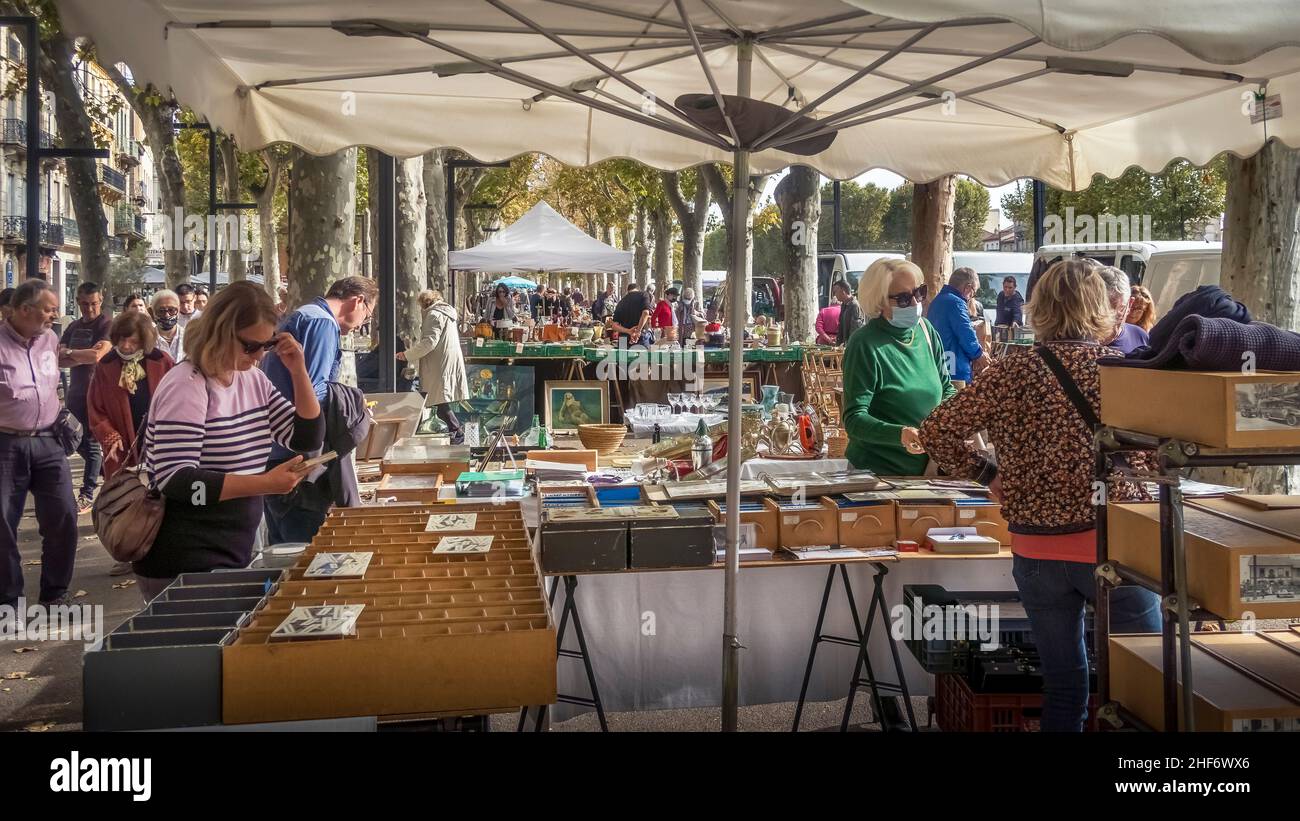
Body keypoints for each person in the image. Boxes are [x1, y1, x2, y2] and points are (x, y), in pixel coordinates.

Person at [918, 259, 1161, 732]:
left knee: (1064, 686)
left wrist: (988, 473)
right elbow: (1153, 459)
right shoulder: (1122, 373)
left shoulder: (1011, 372)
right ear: (1099, 307)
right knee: (1144, 683)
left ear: (1039, 308)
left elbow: (937, 431)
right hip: (1113, 548)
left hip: (1035, 552)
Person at [135, 281, 324, 600]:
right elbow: (177, 482)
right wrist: (263, 484)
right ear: (221, 332)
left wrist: (298, 372)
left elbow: (305, 436)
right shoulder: (186, 385)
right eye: (251, 346)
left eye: (267, 345)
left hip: (233, 549)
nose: (259, 356)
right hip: (184, 558)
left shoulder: (252, 378)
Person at [261, 275, 376, 544]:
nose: (361, 326)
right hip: (300, 459)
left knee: (282, 554)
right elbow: (315, 393)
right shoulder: (322, 322)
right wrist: (354, 407)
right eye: (366, 316)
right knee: (302, 556)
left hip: (277, 450)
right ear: (357, 300)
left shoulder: (304, 315)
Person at [0, 279, 79, 607]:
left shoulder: (49, 339)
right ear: (23, 310)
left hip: (49, 442)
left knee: (64, 517)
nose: (53, 316)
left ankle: (54, 595)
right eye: (48, 310)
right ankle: (8, 603)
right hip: (5, 445)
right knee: (3, 526)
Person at [841, 259, 954, 474]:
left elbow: (946, 387)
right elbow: (854, 419)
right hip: (877, 475)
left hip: (930, 473)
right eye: (902, 299)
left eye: (919, 293)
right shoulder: (864, 344)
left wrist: (949, 422)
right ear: (879, 301)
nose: (914, 303)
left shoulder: (926, 330)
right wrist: (899, 434)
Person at [86, 310, 175, 576]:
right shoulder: (106, 366)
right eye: (122, 340)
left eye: (132, 341)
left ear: (144, 340)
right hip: (122, 446)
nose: (126, 346)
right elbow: (95, 408)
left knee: (163, 496)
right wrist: (109, 435)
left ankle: (163, 549)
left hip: (160, 441)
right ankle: (128, 550)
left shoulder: (162, 361)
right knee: (126, 500)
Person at [59, 281, 112, 513]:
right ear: (78, 303)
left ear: (100, 301)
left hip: (96, 394)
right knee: (72, 439)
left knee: (90, 445)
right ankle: (107, 475)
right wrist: (81, 355)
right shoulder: (73, 327)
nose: (89, 309)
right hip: (75, 394)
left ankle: (87, 493)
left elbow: (98, 355)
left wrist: (71, 353)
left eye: (94, 304)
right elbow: (57, 358)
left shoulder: (106, 324)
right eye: (85, 304)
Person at [400, 290, 468, 444]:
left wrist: (407, 354)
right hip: (446, 360)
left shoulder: (433, 315)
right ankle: (455, 432)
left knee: (438, 399)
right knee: (439, 398)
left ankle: (456, 431)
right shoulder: (447, 313)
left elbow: (429, 342)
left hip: (438, 363)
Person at [928, 267, 989, 389]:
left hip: (938, 363)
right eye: (973, 292)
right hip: (955, 366)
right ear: (968, 287)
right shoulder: (956, 302)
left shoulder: (937, 300)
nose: (972, 296)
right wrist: (978, 354)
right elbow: (965, 333)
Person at [1097, 265, 1149, 354]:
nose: (1109, 319)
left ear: (1130, 304)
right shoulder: (1075, 342)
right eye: (1101, 309)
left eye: (1118, 310)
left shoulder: (1140, 336)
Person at [150, 289, 185, 363]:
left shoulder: (189, 337)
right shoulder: (147, 339)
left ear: (178, 310)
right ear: (153, 312)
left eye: (171, 310)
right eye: (161, 311)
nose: (167, 315)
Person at [833, 279, 863, 344]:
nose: (835, 295)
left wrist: (849, 346)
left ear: (843, 291)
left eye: (835, 292)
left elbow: (855, 329)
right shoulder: (844, 305)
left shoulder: (854, 305)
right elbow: (841, 326)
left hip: (852, 345)